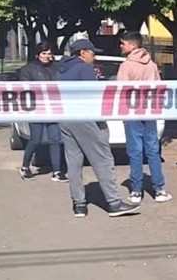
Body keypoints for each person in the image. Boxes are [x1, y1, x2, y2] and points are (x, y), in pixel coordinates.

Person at [57, 39, 140, 218]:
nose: (94, 56)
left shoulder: (62, 69)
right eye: (92, 52)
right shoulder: (84, 68)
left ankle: (79, 204)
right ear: (82, 53)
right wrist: (100, 121)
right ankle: (114, 202)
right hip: (85, 118)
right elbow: (92, 95)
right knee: (102, 159)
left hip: (65, 117)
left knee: (74, 162)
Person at [117, 31, 172, 204]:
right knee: (153, 149)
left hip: (133, 112)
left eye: (123, 43)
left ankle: (136, 190)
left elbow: (121, 89)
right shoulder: (152, 65)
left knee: (135, 151)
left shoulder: (127, 66)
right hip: (150, 110)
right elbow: (158, 87)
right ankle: (159, 189)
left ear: (132, 45)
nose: (121, 46)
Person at [18, 41, 66, 182]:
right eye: (44, 53)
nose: (47, 56)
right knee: (35, 139)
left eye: (49, 53)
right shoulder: (28, 69)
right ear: (37, 54)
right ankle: (25, 167)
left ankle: (57, 171)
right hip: (36, 108)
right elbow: (24, 87)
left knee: (55, 139)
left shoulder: (56, 68)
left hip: (53, 107)